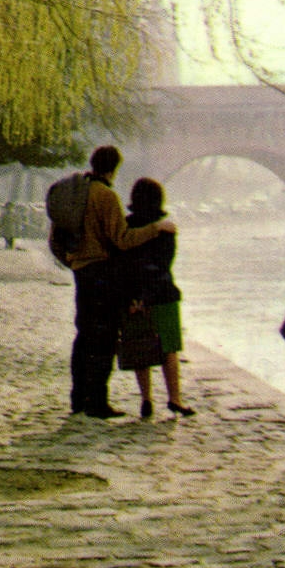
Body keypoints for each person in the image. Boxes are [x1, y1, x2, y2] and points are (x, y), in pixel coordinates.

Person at [67, 146, 176, 418]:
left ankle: (78, 397)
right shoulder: (105, 196)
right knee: (104, 338)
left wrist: (71, 261)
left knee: (83, 336)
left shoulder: (74, 193)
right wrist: (156, 229)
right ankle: (97, 402)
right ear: (113, 168)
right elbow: (122, 240)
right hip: (102, 275)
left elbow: (56, 239)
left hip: (81, 272)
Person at [119, 178, 194, 419]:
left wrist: (135, 296)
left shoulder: (126, 228)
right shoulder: (166, 228)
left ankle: (146, 399)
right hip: (163, 294)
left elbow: (124, 264)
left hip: (133, 296)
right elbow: (164, 264)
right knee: (169, 348)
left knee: (141, 345)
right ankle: (175, 398)